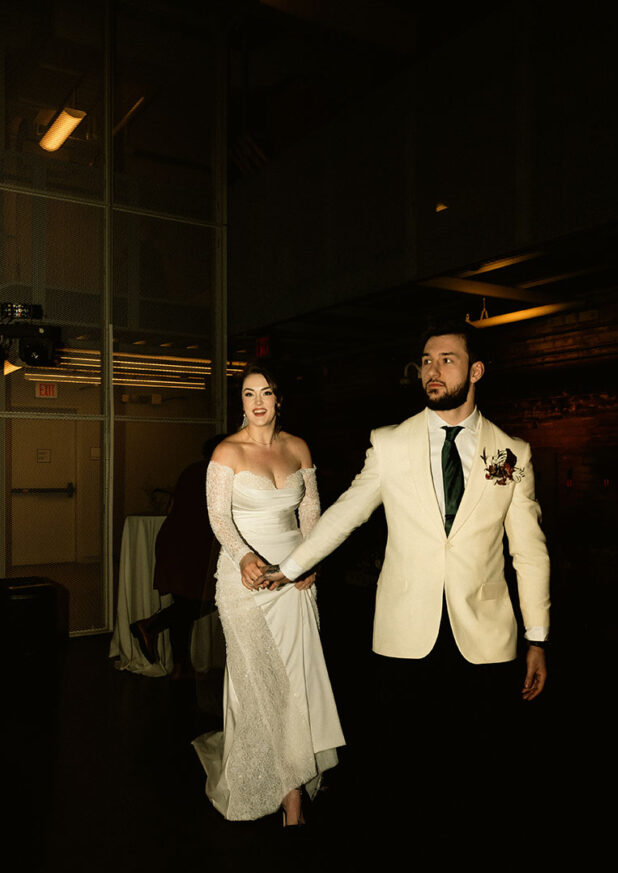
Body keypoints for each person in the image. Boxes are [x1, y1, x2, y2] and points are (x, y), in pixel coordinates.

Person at [260, 319, 550, 829]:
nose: (432, 371)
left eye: (447, 360)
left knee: (479, 761)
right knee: (404, 760)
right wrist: (291, 567)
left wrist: (537, 637)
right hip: (405, 632)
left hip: (483, 635)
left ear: (476, 370)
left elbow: (529, 553)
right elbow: (348, 512)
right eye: (427, 361)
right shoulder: (390, 444)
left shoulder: (510, 454)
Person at [192, 364, 345, 826]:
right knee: (260, 681)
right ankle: (289, 787)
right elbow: (219, 518)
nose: (257, 401)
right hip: (246, 582)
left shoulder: (298, 448)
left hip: (294, 579)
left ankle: (292, 779)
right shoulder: (227, 452)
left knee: (295, 680)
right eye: (247, 393)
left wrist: (310, 559)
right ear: (240, 402)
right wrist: (241, 556)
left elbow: (311, 511)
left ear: (279, 400)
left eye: (266, 393)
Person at [130, 435, 223, 679]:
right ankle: (150, 627)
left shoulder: (192, 469)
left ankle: (179, 666)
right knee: (206, 601)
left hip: (176, 541)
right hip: (192, 546)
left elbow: (174, 505)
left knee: (184, 605)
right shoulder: (220, 473)